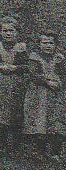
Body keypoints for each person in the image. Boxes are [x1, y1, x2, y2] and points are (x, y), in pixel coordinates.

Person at [22, 31, 63, 159]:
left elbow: (63, 73)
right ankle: (40, 150)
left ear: (55, 45)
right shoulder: (34, 57)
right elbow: (33, 74)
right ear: (39, 44)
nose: (48, 46)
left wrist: (59, 83)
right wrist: (46, 82)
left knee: (56, 120)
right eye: (44, 43)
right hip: (38, 94)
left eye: (51, 43)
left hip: (56, 94)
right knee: (39, 120)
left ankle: (55, 152)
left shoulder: (59, 58)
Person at [0, 17, 30, 149]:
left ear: (17, 32)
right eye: (5, 30)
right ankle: (2, 140)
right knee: (0, 109)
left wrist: (15, 68)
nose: (8, 33)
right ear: (0, 32)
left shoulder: (21, 48)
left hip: (16, 83)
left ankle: (16, 142)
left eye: (11, 30)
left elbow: (26, 66)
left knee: (16, 109)